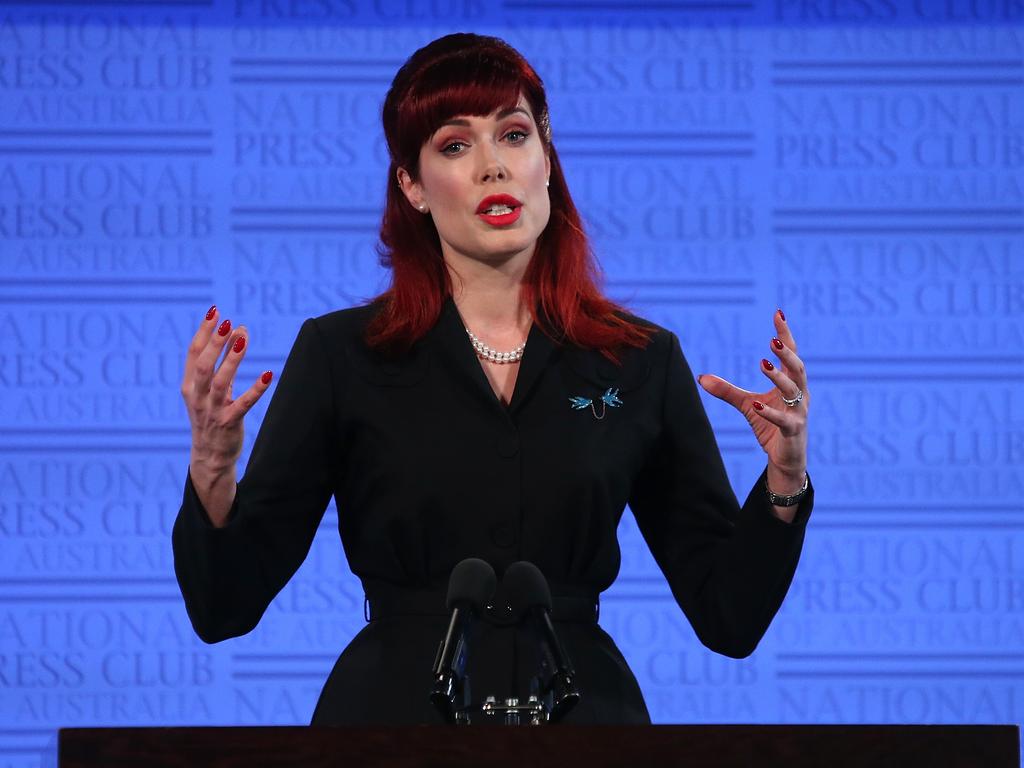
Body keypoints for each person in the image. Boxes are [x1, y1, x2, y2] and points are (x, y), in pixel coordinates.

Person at [173, 32, 813, 725]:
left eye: (513, 135)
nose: (492, 167)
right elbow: (224, 608)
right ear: (412, 186)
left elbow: (729, 617)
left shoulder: (639, 360)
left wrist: (784, 482)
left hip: (585, 722)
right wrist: (212, 467)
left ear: (546, 159)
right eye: (455, 145)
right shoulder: (342, 354)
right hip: (391, 723)